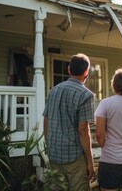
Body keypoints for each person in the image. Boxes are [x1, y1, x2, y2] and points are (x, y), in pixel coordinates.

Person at [43, 53, 95, 191]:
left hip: (54, 155)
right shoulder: (86, 95)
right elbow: (83, 130)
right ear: (86, 72)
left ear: (69, 70)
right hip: (74, 158)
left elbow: (46, 121)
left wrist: (50, 146)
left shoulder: (54, 90)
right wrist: (90, 162)